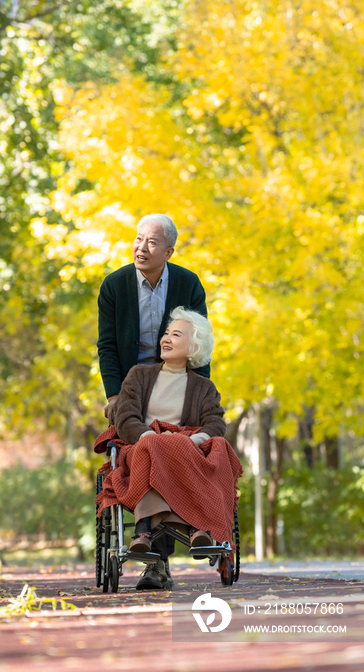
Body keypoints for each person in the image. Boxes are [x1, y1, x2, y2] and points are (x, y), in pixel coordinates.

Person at [97, 213, 211, 584]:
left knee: (176, 448)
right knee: (144, 448)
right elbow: (108, 346)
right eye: (137, 239)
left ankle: (156, 559)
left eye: (151, 242)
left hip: (177, 379)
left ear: (169, 250)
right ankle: (156, 561)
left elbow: (198, 344)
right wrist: (115, 394)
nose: (140, 247)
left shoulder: (187, 284)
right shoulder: (114, 286)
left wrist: (198, 396)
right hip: (134, 386)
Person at [94, 307, 243, 590]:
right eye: (166, 333)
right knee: (155, 444)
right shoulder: (139, 376)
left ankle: (188, 529)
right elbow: (125, 418)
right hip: (142, 448)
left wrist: (193, 441)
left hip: (186, 451)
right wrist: (152, 436)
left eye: (176, 334)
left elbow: (215, 424)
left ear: (193, 346)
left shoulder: (204, 388)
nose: (166, 338)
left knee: (218, 446)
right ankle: (167, 530)